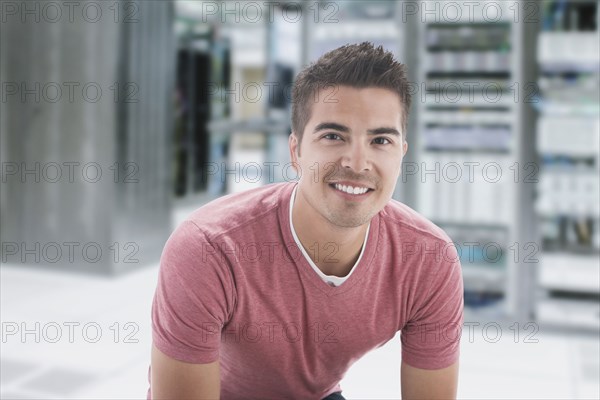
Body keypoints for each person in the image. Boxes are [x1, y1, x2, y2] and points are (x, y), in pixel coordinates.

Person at [147, 42, 464, 400]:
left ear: (401, 154)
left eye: (380, 140)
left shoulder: (429, 257)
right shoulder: (208, 248)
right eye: (333, 136)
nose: (357, 163)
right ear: (296, 152)